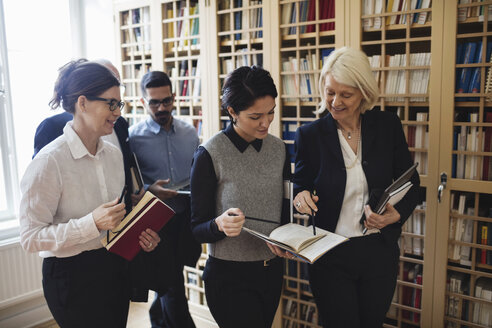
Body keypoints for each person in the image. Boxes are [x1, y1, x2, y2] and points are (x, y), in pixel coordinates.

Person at [19, 59, 161, 327]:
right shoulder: (49, 162)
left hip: (114, 269)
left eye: (119, 104)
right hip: (70, 278)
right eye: (111, 103)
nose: (118, 112)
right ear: (82, 103)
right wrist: (90, 224)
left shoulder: (114, 154)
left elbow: (113, 222)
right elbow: (30, 238)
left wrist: (139, 238)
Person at [292, 47, 420, 328]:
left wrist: (394, 215)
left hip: (378, 253)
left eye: (345, 95)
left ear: (363, 92)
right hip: (329, 254)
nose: (335, 102)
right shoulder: (309, 135)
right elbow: (299, 185)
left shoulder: (387, 126)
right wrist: (300, 195)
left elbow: (412, 183)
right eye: (329, 92)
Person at [190, 66, 292, 328]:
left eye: (271, 112)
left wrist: (288, 240)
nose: (266, 122)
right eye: (255, 116)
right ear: (232, 112)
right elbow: (196, 229)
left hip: (270, 272)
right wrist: (219, 225)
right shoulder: (210, 153)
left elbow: (283, 212)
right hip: (228, 276)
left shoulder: (279, 149)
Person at [129, 70, 201, 328]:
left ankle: (158, 323)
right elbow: (129, 185)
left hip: (185, 218)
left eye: (166, 101)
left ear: (173, 97)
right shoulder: (133, 139)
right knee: (172, 286)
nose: (161, 107)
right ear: (142, 102)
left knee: (170, 279)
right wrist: (150, 189)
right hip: (155, 223)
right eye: (153, 102)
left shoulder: (189, 133)